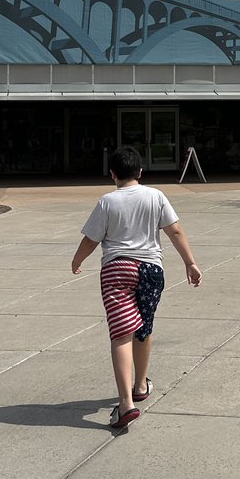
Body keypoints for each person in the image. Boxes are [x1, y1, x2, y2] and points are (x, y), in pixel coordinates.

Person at [71, 144, 202, 430]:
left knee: (121, 335)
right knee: (143, 328)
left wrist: (77, 259)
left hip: (118, 270)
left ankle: (125, 405)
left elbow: (91, 239)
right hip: (152, 271)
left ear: (112, 174)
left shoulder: (108, 201)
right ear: (140, 171)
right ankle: (140, 385)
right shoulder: (156, 196)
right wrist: (190, 263)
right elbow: (175, 230)